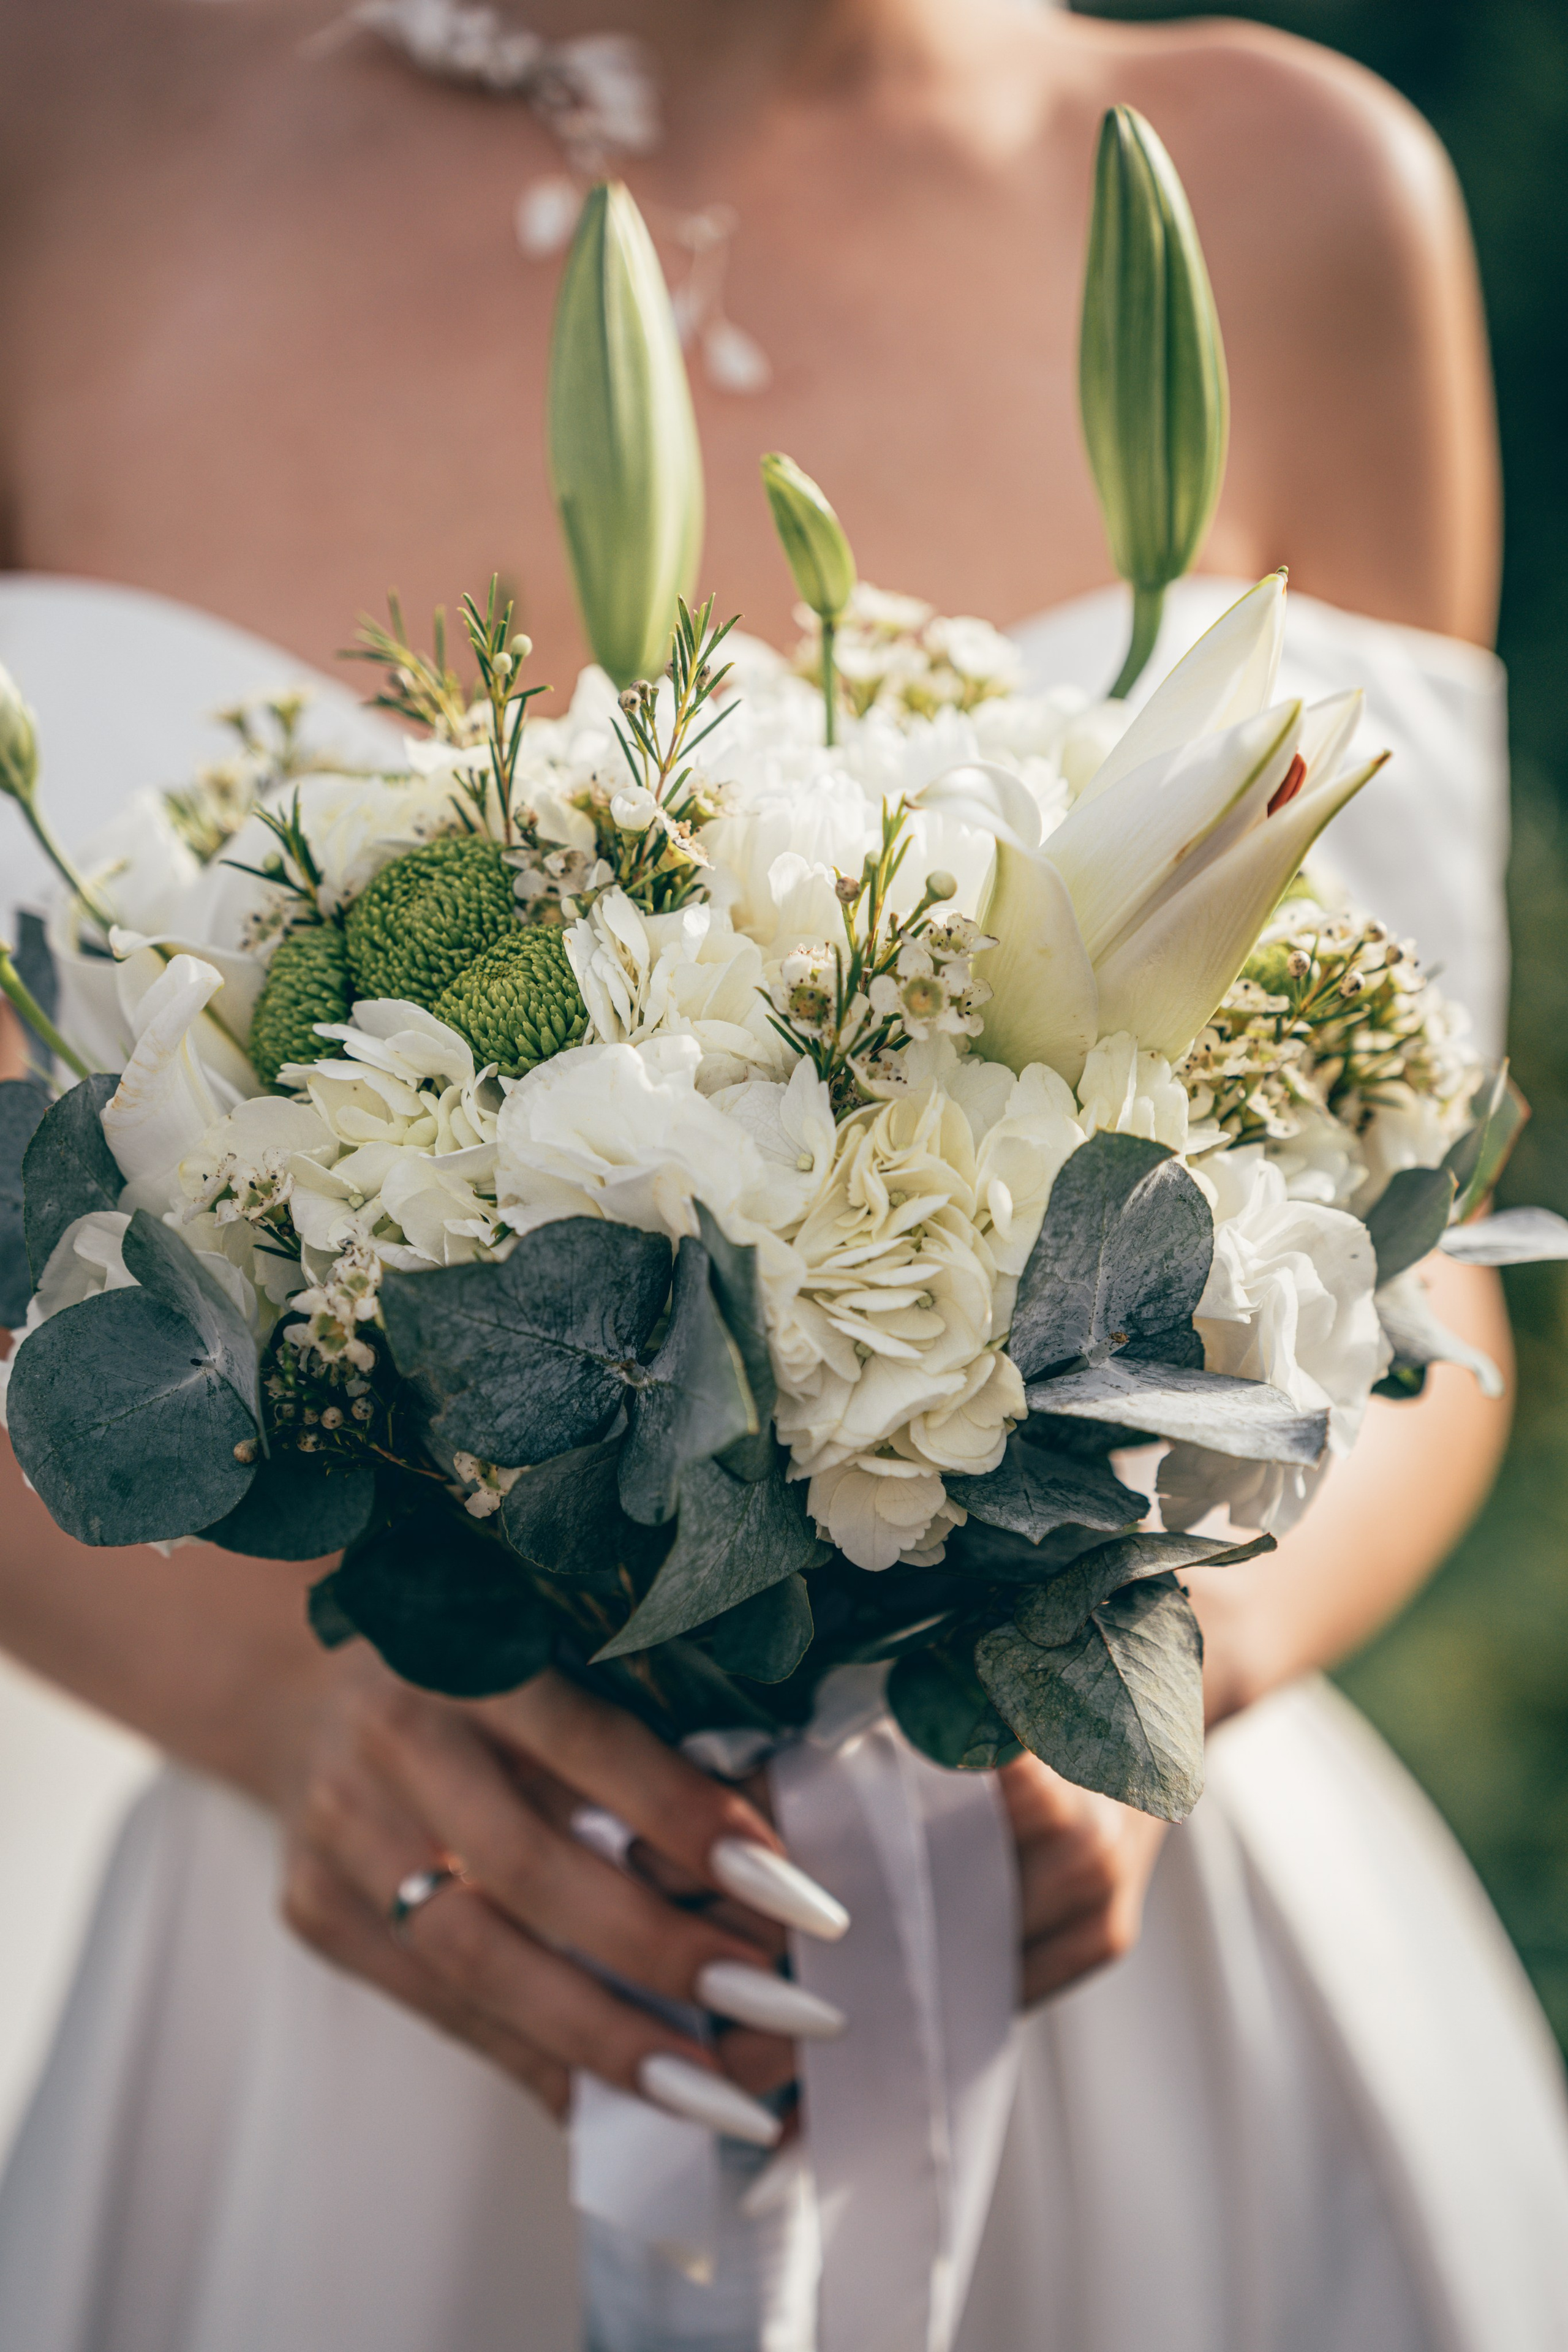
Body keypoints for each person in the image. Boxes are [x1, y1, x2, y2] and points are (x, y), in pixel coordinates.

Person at [0, 2, 1563, 2348]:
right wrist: (292, 1717)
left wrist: (1152, 1676)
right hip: (344, 1951)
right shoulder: (46, 119)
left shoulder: (1296, 185)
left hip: (1080, 1958)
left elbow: (1417, 1295)